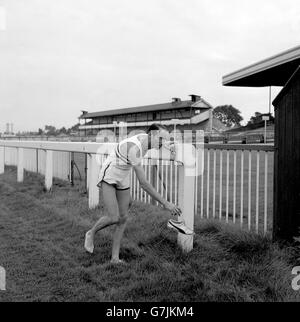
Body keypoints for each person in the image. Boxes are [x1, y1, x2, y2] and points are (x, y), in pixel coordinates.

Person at [84, 123, 188, 264]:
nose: (163, 142)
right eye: (162, 139)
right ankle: (91, 233)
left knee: (123, 218)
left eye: (165, 139)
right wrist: (166, 203)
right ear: (152, 135)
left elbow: (165, 145)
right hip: (110, 174)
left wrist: (172, 148)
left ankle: (115, 258)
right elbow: (143, 184)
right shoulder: (134, 149)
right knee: (114, 217)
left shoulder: (150, 140)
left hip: (124, 175)